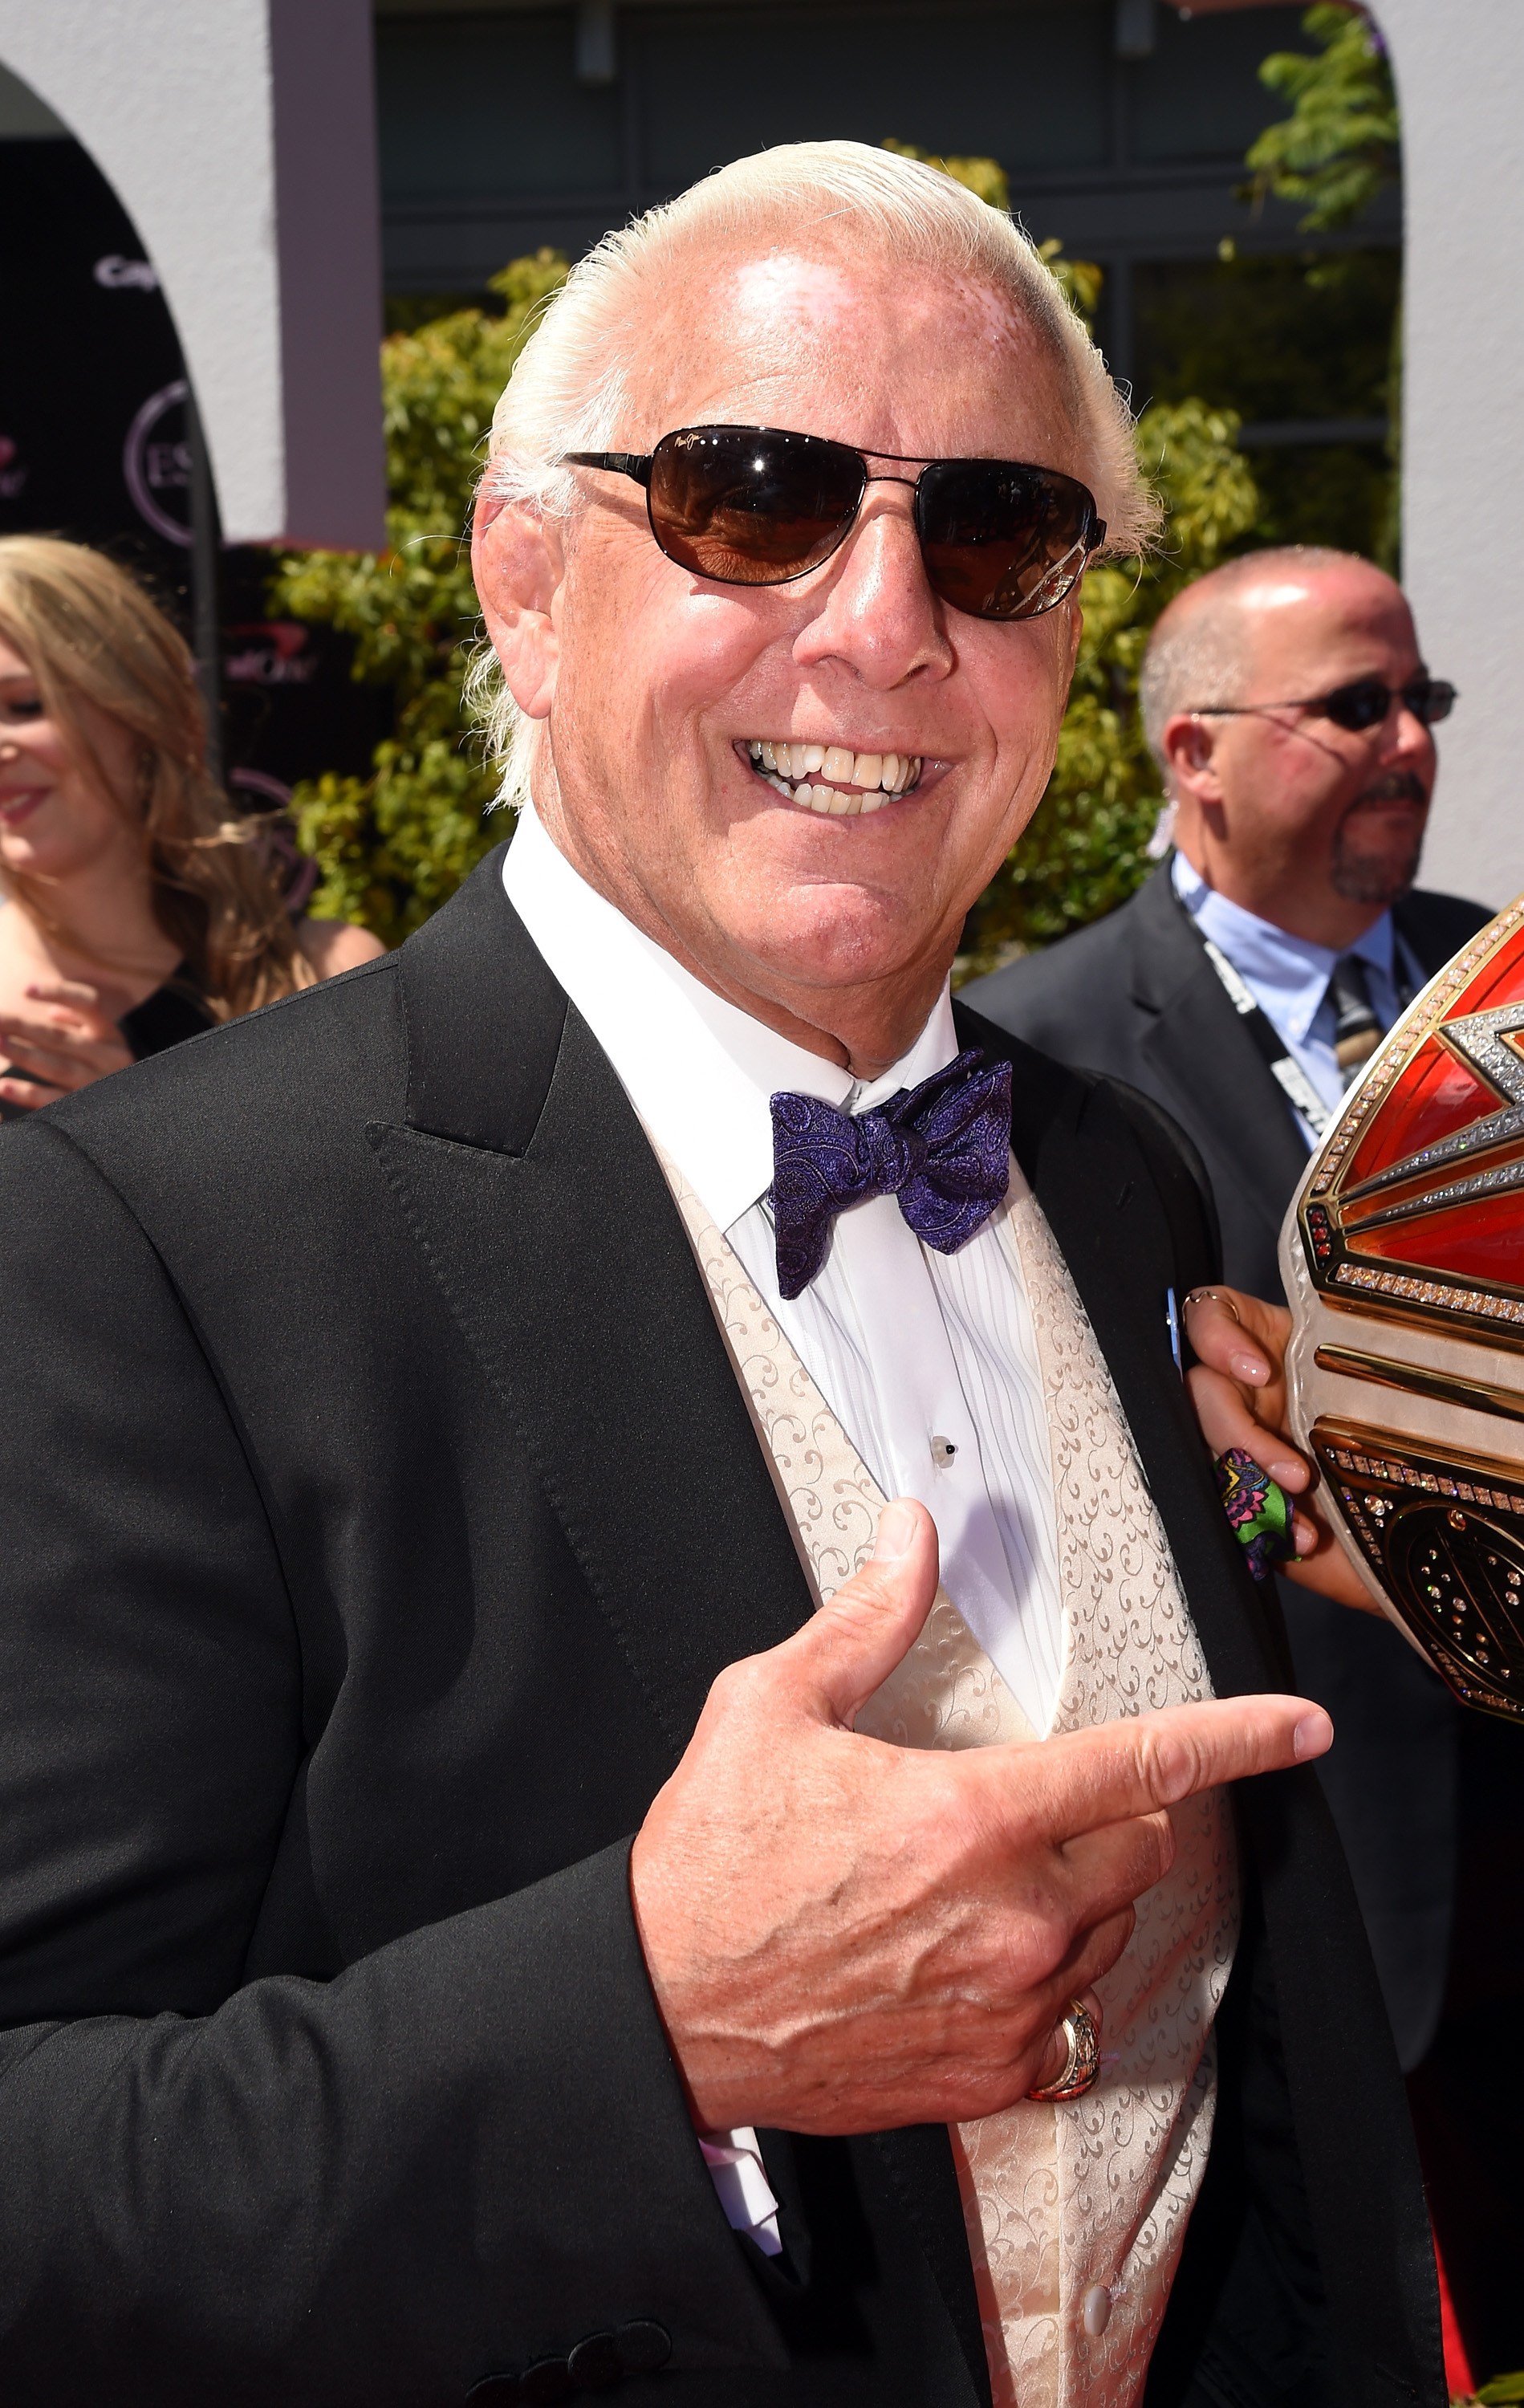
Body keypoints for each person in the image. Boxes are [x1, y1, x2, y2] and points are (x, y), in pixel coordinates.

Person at [0, 150, 1439, 2408]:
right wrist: (645, 2020)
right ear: (526, 580)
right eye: (750, 500)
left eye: (989, 534)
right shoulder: (132, 1250)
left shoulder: (1118, 1175)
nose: (881, 625)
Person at [965, 546, 1518, 2375]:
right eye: (1352, 705)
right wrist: (1266, 1509)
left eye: (1417, 703)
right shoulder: (1023, 1055)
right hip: (1275, 1844)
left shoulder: (1499, 988)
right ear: (1192, 749)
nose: (1406, 741)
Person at [0, 535, 382, 1117]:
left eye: (25, 705)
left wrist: (137, 1136)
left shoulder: (320, 977)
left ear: (139, 711)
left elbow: (376, 1207)